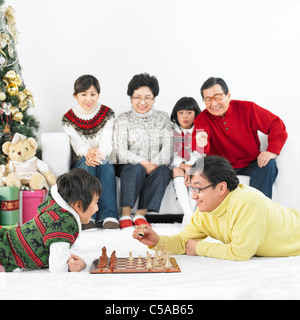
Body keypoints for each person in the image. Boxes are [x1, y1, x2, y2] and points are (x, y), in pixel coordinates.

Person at [133, 156, 300, 261]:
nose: (193, 196)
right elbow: (183, 242)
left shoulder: (248, 203)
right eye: (192, 188)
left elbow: (240, 253)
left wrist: (199, 248)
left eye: (198, 188)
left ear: (221, 188)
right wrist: (157, 241)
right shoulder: (205, 211)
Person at [192, 77, 288, 199]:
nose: (214, 103)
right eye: (208, 99)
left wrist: (271, 151)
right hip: (221, 167)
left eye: (217, 97)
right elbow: (199, 144)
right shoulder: (201, 119)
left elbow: (276, 124)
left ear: (228, 95)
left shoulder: (248, 109)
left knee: (269, 164)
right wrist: (201, 142)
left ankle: (260, 210)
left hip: (251, 163)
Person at [0, 168, 102, 272]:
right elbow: (58, 268)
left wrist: (77, 261)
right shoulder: (64, 223)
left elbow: (67, 250)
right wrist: (78, 267)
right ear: (78, 205)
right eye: (96, 202)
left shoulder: (55, 210)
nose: (97, 208)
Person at [114, 73, 173, 229]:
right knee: (135, 168)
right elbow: (120, 150)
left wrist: (154, 164)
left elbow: (168, 147)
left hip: (156, 165)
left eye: (148, 97)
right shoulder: (122, 119)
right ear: (131, 98)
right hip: (130, 165)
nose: (142, 102)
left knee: (164, 172)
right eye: (137, 97)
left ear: (154, 99)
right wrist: (143, 163)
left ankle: (140, 214)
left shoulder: (163, 117)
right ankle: (125, 214)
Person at [62, 75, 119, 229]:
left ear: (98, 94)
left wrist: (98, 154)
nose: (89, 99)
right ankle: (87, 216)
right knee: (87, 166)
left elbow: (107, 141)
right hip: (82, 158)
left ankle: (110, 215)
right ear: (76, 96)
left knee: (105, 163)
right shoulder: (68, 118)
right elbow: (78, 145)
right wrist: (88, 153)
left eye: (93, 94)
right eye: (83, 94)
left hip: (102, 155)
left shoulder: (108, 113)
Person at [170, 97, 202, 227]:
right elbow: (172, 155)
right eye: (181, 112)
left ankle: (189, 218)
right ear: (176, 114)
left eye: (189, 112)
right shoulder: (172, 130)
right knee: (177, 170)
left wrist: (190, 167)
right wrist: (184, 166)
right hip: (177, 166)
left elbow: (200, 154)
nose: (185, 116)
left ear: (195, 114)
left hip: (196, 164)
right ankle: (189, 214)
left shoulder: (200, 130)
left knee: (197, 171)